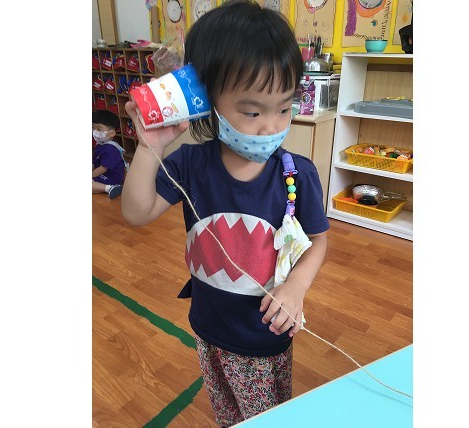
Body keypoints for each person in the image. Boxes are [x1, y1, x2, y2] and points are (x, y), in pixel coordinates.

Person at [121, 1, 329, 426]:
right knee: (227, 414)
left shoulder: (297, 174)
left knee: (266, 419)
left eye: (284, 108)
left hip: (263, 337)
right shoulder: (190, 165)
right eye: (252, 112)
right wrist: (148, 147)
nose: (271, 126)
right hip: (208, 329)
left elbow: (318, 241)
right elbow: (136, 212)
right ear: (205, 98)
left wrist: (296, 288)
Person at [92, 110, 126, 199]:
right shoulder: (100, 144)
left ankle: (110, 188)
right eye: (93, 128)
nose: (95, 131)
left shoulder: (111, 149)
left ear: (112, 133)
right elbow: (95, 162)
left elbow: (103, 168)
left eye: (99, 129)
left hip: (111, 178)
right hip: (103, 175)